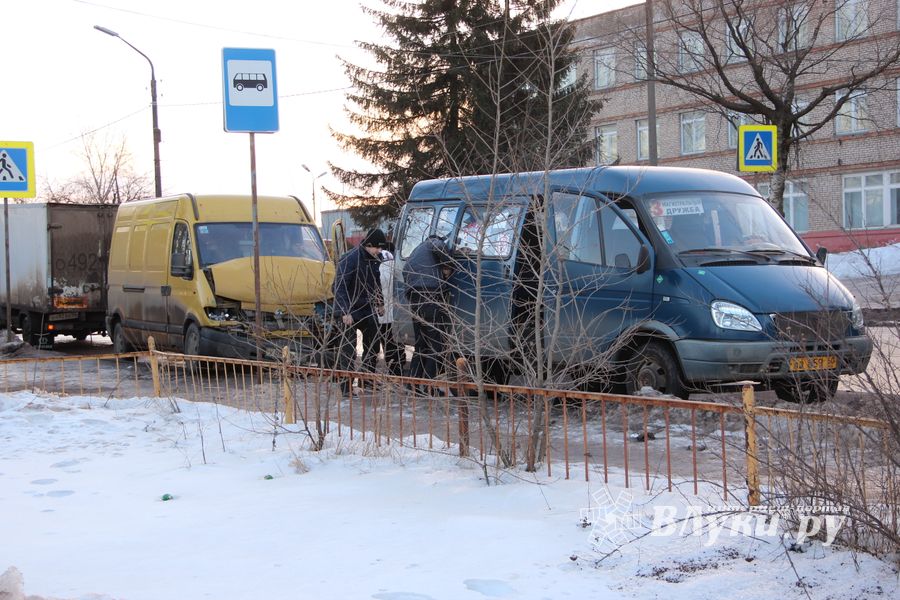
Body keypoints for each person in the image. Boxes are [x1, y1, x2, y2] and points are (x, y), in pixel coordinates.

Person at [332, 228, 388, 392]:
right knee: (348, 350)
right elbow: (338, 287)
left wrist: (380, 303)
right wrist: (344, 311)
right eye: (377, 247)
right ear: (368, 245)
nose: (379, 251)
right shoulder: (350, 259)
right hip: (348, 309)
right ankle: (346, 387)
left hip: (366, 308)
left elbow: (376, 284)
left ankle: (367, 380)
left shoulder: (374, 260)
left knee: (373, 344)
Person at [402, 235, 455, 382]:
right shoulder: (433, 242)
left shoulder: (415, 251)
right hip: (430, 295)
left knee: (421, 344)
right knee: (436, 344)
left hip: (415, 298)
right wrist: (448, 265)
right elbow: (439, 247)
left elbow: (405, 271)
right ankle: (429, 385)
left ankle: (413, 383)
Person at [374, 243, 405, 376]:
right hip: (396, 313)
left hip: (380, 313)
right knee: (396, 342)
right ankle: (399, 368)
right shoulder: (395, 266)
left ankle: (393, 370)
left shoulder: (376, 266)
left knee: (385, 342)